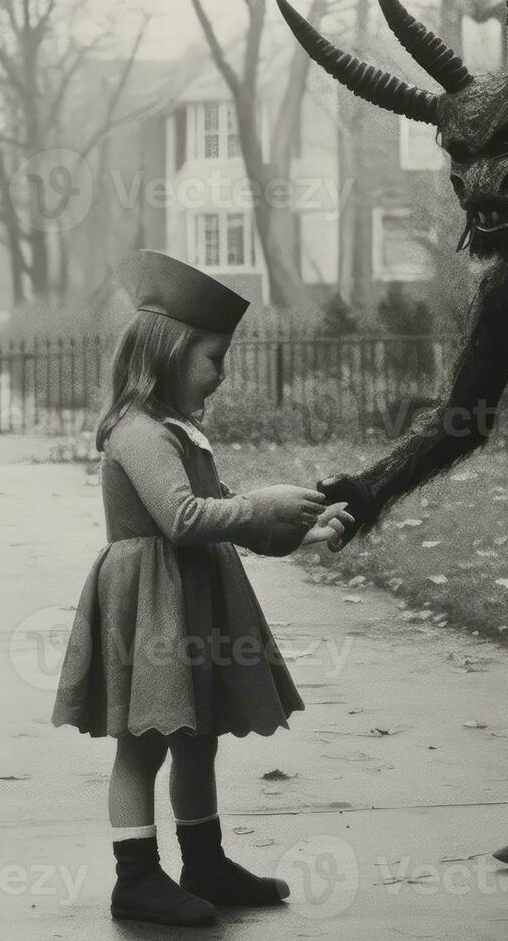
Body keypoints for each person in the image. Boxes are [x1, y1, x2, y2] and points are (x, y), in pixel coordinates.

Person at [52, 250, 352, 927]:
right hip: (152, 601)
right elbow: (185, 517)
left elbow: (226, 518)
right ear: (170, 353)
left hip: (190, 595)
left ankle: (205, 863)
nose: (221, 374)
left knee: (197, 735)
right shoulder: (137, 431)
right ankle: (135, 878)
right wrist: (262, 500)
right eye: (213, 358)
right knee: (145, 741)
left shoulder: (179, 430)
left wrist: (304, 530)